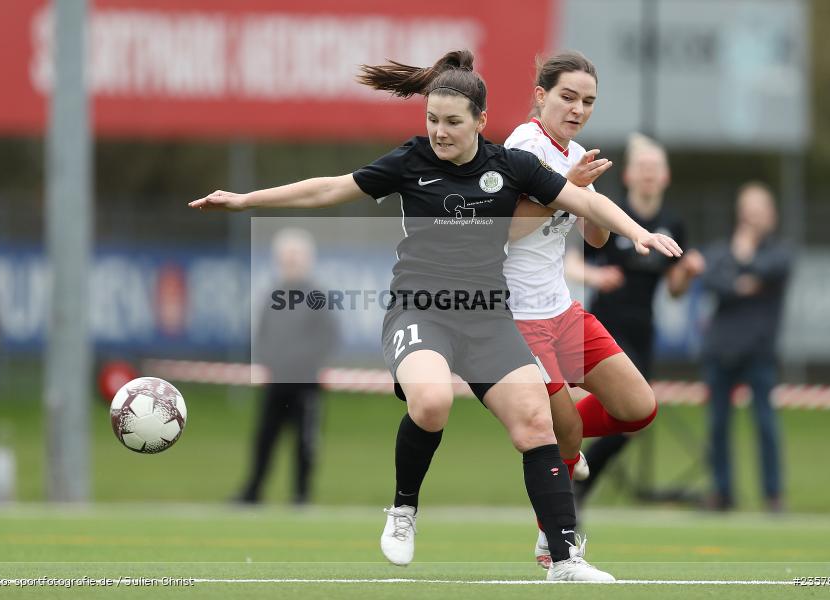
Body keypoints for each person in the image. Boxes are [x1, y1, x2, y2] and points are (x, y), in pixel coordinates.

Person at [190, 49, 681, 582]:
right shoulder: (410, 160)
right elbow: (329, 188)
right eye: (432, 120)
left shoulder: (509, 166)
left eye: (451, 122)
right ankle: (403, 510)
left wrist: (640, 232)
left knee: (538, 423)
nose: (440, 132)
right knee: (432, 402)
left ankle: (564, 561)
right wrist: (244, 200)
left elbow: (585, 203)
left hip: (488, 316)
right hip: (420, 309)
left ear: (479, 122)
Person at [503, 51, 673, 569]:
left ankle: (556, 446)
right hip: (519, 318)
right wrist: (572, 188)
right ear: (541, 95)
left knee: (638, 406)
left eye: (588, 101)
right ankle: (555, 538)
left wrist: (604, 207)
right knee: (564, 432)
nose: (578, 109)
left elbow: (594, 232)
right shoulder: (522, 145)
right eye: (568, 97)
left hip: (563, 311)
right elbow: (508, 228)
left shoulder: (572, 152)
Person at [564, 133, 705, 504]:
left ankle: (575, 469)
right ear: (628, 176)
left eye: (654, 168)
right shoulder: (613, 212)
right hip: (607, 323)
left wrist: (687, 272)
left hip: (643, 328)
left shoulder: (673, 224)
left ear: (665, 177)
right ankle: (566, 451)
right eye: (642, 167)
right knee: (629, 407)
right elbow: (573, 261)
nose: (648, 174)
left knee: (632, 421)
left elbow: (674, 289)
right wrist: (597, 277)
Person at [700, 182, 792, 512]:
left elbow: (767, 270)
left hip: (759, 351)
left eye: (759, 212)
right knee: (718, 426)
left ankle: (773, 495)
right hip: (720, 349)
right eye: (748, 212)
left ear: (772, 215)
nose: (752, 219)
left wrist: (743, 261)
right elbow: (714, 282)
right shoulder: (720, 250)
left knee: (766, 425)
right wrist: (743, 278)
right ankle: (722, 492)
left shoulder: (780, 252)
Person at [237, 228, 338, 505]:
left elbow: (328, 338)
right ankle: (252, 491)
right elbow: (261, 335)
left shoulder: (317, 297)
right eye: (286, 256)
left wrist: (302, 360)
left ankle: (301, 495)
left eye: (296, 256)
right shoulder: (272, 296)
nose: (291, 261)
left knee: (306, 443)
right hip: (276, 381)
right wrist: (268, 360)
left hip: (306, 383)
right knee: (264, 438)